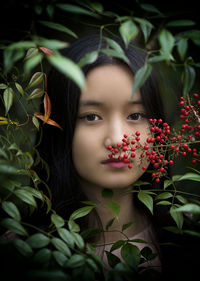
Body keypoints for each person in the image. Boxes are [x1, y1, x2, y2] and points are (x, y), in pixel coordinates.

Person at [37, 33, 165, 277]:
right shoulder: (21, 249)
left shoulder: (187, 232)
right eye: (91, 116)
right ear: (57, 124)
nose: (117, 140)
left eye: (135, 115)